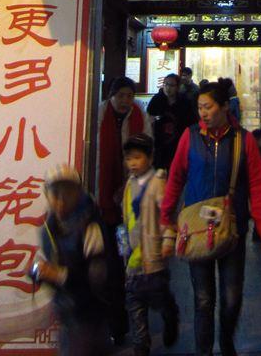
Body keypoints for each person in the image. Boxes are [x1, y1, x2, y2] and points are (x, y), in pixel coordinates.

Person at [161, 78, 261, 356]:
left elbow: (258, 184)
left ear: (225, 107)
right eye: (200, 107)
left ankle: (226, 342)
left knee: (231, 297)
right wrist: (167, 218)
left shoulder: (243, 140)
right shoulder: (190, 137)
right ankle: (204, 351)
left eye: (208, 107)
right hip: (195, 228)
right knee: (203, 298)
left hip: (232, 227)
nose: (203, 113)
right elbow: (176, 178)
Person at [97, 76, 151, 343]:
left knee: (128, 263)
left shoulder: (141, 117)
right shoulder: (98, 115)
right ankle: (115, 324)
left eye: (130, 96)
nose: (125, 101)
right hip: (102, 201)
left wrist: (129, 186)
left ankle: (132, 323)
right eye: (121, 95)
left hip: (132, 203)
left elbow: (147, 156)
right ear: (111, 96)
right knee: (110, 265)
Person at [34, 164, 110, 356]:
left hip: (89, 316)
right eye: (55, 194)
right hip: (65, 313)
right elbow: (48, 264)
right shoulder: (48, 228)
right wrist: (38, 272)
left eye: (67, 193)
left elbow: (98, 279)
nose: (61, 201)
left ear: (78, 194)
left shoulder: (90, 227)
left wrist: (59, 275)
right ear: (47, 195)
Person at [121, 134, 179, 356]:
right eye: (129, 158)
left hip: (152, 257)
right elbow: (127, 218)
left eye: (137, 157)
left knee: (158, 297)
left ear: (150, 158)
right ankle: (141, 346)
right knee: (135, 307)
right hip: (132, 260)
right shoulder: (129, 184)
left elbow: (167, 214)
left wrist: (168, 239)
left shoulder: (157, 183)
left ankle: (170, 314)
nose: (133, 163)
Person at [147, 73, 196, 170]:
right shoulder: (157, 100)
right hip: (159, 144)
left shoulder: (184, 102)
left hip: (178, 143)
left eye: (172, 85)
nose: (168, 88)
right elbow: (149, 118)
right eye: (166, 84)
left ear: (178, 87)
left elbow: (191, 123)